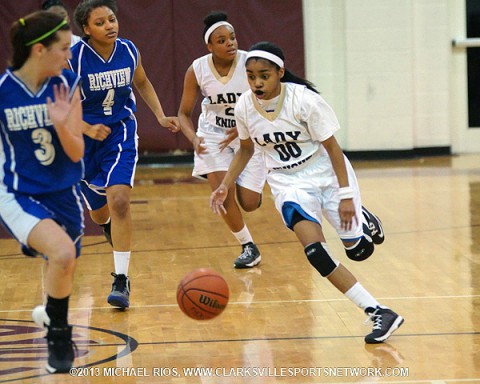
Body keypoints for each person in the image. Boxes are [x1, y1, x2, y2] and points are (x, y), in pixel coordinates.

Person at [210, 41, 404, 344]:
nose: (257, 83)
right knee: (315, 252)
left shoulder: (305, 101)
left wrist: (346, 195)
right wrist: (225, 185)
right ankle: (378, 311)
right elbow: (246, 149)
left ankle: (363, 219)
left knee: (358, 251)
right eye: (250, 76)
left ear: (280, 73)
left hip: (325, 174)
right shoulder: (245, 106)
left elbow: (334, 150)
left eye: (264, 75)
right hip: (289, 184)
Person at [69, 0, 179, 309]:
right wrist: (87, 129)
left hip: (119, 132)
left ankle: (121, 279)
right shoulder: (72, 61)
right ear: (86, 30)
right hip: (82, 139)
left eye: (112, 19)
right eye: (101, 22)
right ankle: (107, 226)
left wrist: (158, 115)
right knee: (99, 212)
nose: (110, 26)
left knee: (119, 200)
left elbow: (141, 81)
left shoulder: (129, 50)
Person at [0, 11, 84, 372]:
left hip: (63, 192)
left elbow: (77, 152)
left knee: (64, 263)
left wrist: (63, 125)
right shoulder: (3, 92)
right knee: (62, 253)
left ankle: (50, 313)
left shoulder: (68, 83)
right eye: (63, 48)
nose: (69, 55)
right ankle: (59, 338)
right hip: (17, 191)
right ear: (39, 50)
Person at [178, 11, 266, 269]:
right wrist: (193, 138)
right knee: (221, 192)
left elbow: (269, 102)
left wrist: (244, 128)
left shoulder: (251, 63)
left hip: (249, 135)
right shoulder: (197, 69)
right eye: (222, 40)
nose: (230, 43)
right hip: (213, 135)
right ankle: (248, 246)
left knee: (248, 203)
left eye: (233, 37)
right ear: (210, 46)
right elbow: (183, 113)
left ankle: (248, 183)